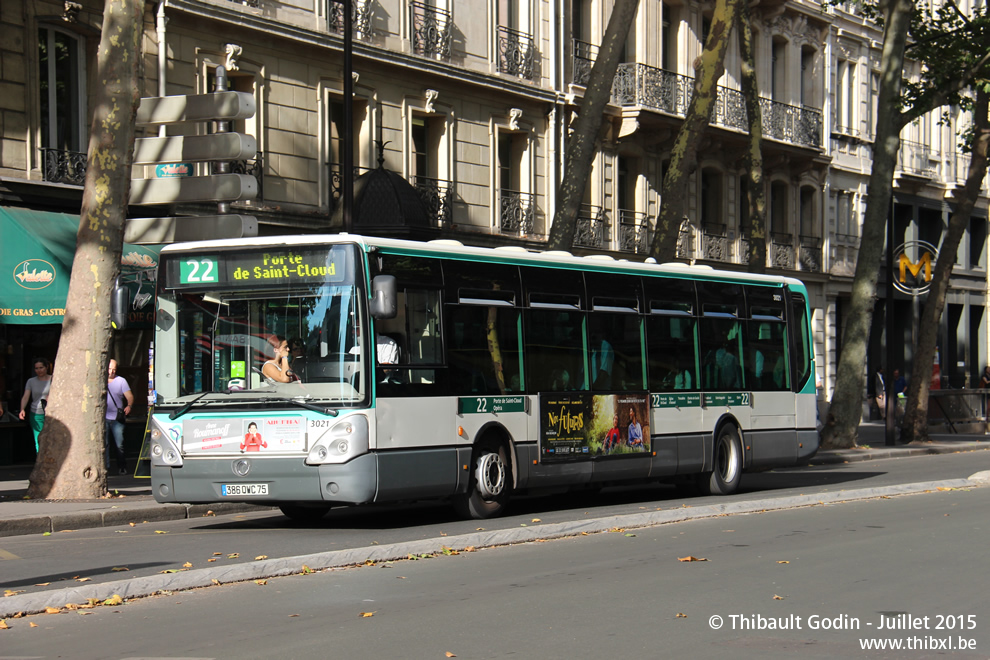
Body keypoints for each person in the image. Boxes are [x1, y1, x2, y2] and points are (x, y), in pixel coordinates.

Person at [105, 359, 134, 475]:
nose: (111, 372)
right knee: (105, 444)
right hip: (104, 417)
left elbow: (130, 396)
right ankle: (106, 467)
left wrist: (129, 406)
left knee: (119, 444)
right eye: (109, 369)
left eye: (114, 370)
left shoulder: (121, 381)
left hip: (117, 418)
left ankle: (122, 466)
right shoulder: (100, 380)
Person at [19, 358, 52, 453]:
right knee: (39, 439)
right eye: (36, 368)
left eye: (41, 367)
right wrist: (22, 409)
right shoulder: (31, 381)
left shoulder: (53, 379)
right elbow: (26, 396)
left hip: (51, 413)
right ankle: (40, 462)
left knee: (51, 438)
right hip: (36, 413)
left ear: (46, 367)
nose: (39, 370)